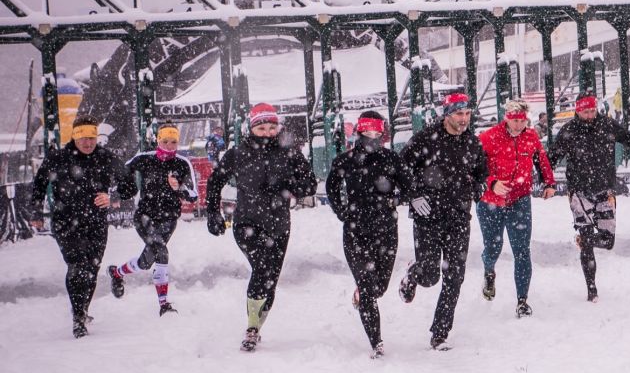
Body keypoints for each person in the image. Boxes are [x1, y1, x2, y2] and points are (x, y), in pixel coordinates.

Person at [205, 103, 317, 352]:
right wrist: (212, 212)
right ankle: (252, 329)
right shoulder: (238, 153)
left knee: (270, 280)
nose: (267, 132)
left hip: (279, 226)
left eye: (272, 127)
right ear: (251, 128)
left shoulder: (289, 152)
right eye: (261, 128)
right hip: (247, 223)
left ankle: (257, 323)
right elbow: (215, 181)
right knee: (263, 268)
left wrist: (289, 186)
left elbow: (310, 184)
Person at [29, 114, 137, 338]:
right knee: (78, 266)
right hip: (66, 222)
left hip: (96, 223)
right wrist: (36, 212)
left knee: (92, 268)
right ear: (74, 137)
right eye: (83, 138)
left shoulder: (105, 157)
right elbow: (39, 184)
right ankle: (78, 317)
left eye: (92, 138)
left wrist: (112, 196)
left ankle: (82, 308)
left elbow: (130, 186)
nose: (88, 143)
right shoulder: (58, 158)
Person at [398, 92, 489, 350]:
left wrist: (479, 187)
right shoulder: (425, 139)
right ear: (447, 114)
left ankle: (440, 333)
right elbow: (401, 169)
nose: (464, 119)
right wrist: (413, 196)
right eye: (459, 114)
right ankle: (414, 273)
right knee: (430, 276)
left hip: (459, 216)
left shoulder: (472, 143)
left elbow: (481, 172)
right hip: (428, 216)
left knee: (455, 276)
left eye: (467, 113)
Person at [326, 110, 414, 358]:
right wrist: (342, 211)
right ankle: (376, 342)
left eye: (377, 133)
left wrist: (395, 199)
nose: (372, 138)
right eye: (368, 133)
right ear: (359, 133)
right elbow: (332, 187)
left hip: (386, 230)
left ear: (382, 134)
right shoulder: (346, 160)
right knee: (366, 286)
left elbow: (409, 186)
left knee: (379, 288)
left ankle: (365, 295)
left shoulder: (391, 159)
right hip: (356, 231)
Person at [547, 93, 630, 302]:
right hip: (579, 192)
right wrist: (546, 179)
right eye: (585, 111)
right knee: (587, 242)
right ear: (577, 111)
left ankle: (584, 240)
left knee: (608, 241)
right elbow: (551, 159)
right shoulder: (569, 131)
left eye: (592, 110)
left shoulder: (607, 125)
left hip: (604, 191)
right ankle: (592, 290)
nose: (590, 115)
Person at [107, 122, 198, 316]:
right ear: (158, 141)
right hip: (144, 217)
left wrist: (179, 188)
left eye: (173, 142)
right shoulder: (145, 158)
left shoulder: (183, 163)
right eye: (165, 141)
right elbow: (122, 172)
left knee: (147, 261)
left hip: (168, 219)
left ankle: (116, 273)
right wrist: (117, 193)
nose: (169, 146)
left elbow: (193, 195)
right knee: (161, 251)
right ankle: (163, 304)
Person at [477, 99, 557, 318]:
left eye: (522, 121)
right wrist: (492, 182)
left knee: (522, 251)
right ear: (506, 118)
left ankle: (522, 301)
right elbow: (475, 167)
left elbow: (541, 160)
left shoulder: (530, 137)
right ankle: (489, 271)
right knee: (493, 247)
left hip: (519, 199)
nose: (519, 125)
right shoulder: (488, 137)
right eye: (515, 121)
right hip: (491, 201)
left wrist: (549, 183)